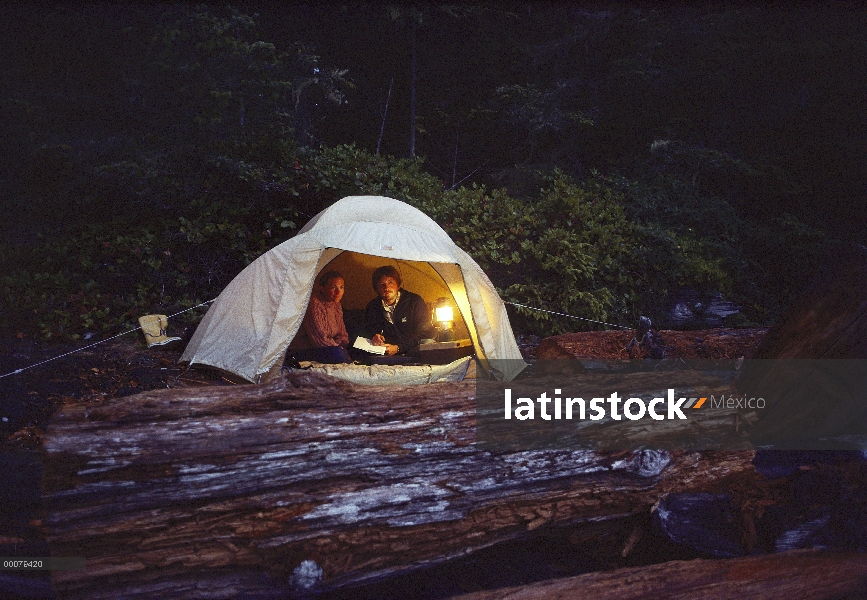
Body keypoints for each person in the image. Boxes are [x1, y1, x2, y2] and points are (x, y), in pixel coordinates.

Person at [364, 266, 436, 356]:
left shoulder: (414, 301)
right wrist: (374, 337)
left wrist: (399, 348)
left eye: (390, 282)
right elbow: (369, 330)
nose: (386, 287)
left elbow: (425, 333)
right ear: (377, 289)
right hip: (387, 352)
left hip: (412, 349)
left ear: (397, 285)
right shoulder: (373, 306)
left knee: (428, 343)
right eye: (382, 285)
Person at [293, 271, 352, 363]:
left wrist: (342, 346)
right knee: (338, 353)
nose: (338, 292)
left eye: (341, 287)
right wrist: (340, 349)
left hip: (331, 347)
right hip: (305, 349)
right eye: (333, 287)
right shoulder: (314, 304)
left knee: (355, 349)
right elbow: (320, 341)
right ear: (322, 288)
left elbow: (342, 334)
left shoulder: (336, 305)